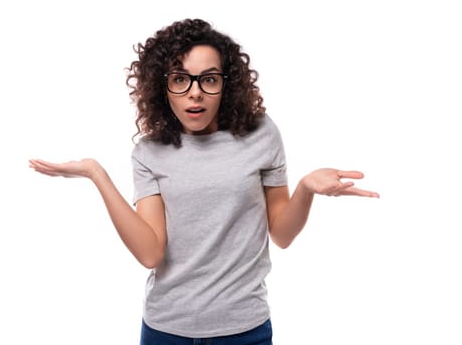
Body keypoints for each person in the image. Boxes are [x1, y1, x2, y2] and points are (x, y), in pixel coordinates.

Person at [29, 18, 379, 345]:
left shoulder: (260, 133)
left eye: (209, 79)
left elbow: (283, 235)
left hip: (245, 329)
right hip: (167, 329)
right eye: (180, 79)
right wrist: (97, 175)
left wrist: (305, 188)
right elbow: (150, 253)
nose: (194, 92)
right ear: (162, 87)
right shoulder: (149, 153)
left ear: (226, 85)